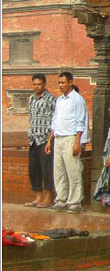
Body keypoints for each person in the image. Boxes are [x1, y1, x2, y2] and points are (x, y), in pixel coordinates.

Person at [45, 71, 89, 214]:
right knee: (58, 171)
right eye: (59, 83)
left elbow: (80, 122)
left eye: (63, 82)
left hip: (71, 137)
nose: (61, 85)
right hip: (58, 138)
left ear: (70, 82)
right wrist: (49, 141)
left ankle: (75, 202)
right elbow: (55, 121)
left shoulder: (77, 99)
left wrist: (77, 142)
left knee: (73, 171)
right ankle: (61, 199)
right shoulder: (59, 100)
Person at [25, 74, 57, 209]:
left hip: (45, 139)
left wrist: (50, 139)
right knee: (34, 169)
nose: (36, 87)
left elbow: (55, 121)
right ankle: (37, 197)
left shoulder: (52, 99)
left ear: (44, 84)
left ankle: (48, 197)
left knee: (46, 169)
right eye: (34, 84)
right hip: (33, 139)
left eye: (39, 84)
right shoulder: (31, 99)